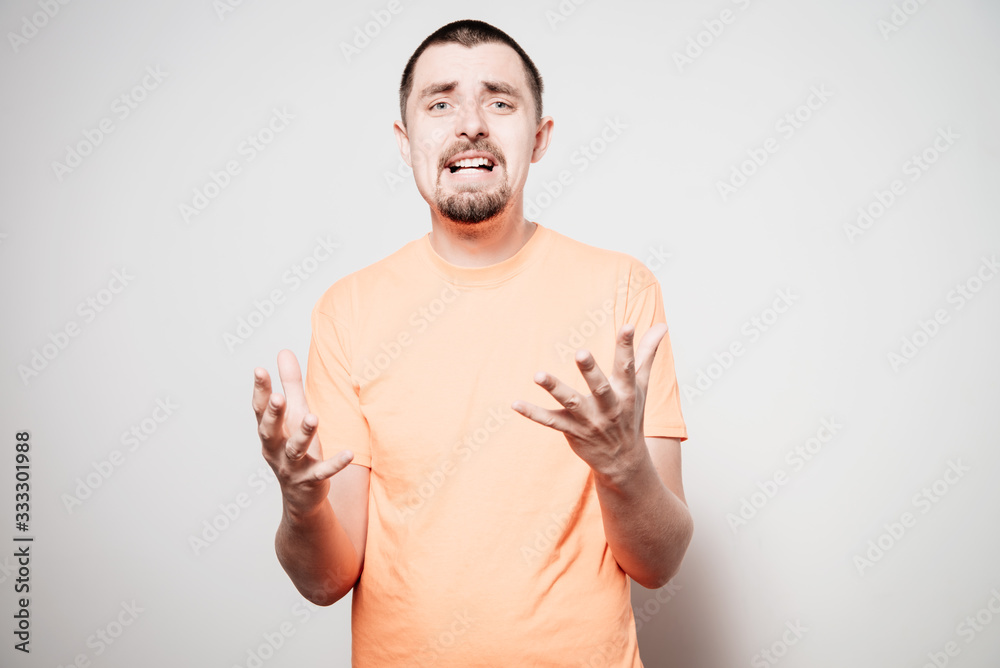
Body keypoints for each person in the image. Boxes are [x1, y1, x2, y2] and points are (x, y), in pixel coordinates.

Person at [252, 19, 693, 667]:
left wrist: (624, 467)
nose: (470, 125)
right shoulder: (348, 310)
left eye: (499, 101)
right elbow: (326, 582)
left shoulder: (623, 290)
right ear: (405, 140)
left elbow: (659, 563)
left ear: (539, 137)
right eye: (440, 104)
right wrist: (300, 504)